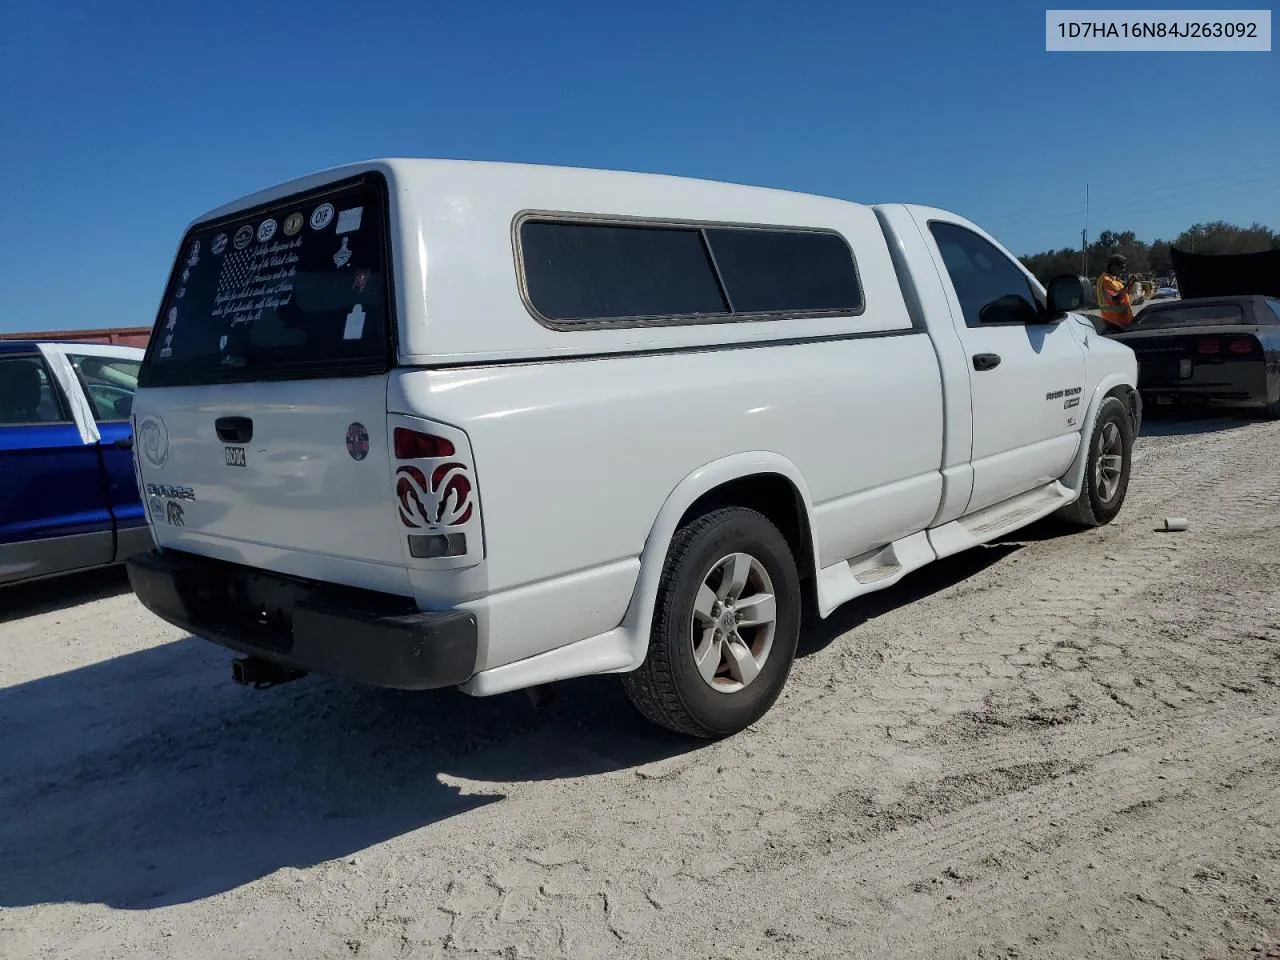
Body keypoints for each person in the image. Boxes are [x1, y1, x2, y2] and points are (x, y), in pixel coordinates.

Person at [1096, 254, 1137, 330]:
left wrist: (1132, 282)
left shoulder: (1115, 280)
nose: (1123, 270)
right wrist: (1128, 283)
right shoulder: (1105, 280)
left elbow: (1125, 293)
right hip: (1114, 322)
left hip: (1123, 320)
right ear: (1113, 266)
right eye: (1122, 267)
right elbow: (1116, 298)